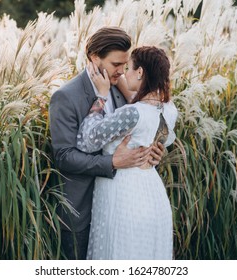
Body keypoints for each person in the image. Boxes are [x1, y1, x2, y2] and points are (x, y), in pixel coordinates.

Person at [49, 27, 164, 260]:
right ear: (94, 58)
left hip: (119, 207)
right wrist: (111, 161)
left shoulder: (124, 90)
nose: (122, 71)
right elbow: (63, 156)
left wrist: (154, 151)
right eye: (115, 65)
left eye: (125, 64)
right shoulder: (65, 97)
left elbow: (150, 121)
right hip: (81, 210)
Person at [77, 46, 178, 259]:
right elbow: (160, 138)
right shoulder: (169, 109)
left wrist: (101, 97)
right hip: (153, 195)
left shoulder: (131, 113)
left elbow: (88, 140)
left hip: (124, 195)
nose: (124, 73)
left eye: (129, 68)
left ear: (140, 73)